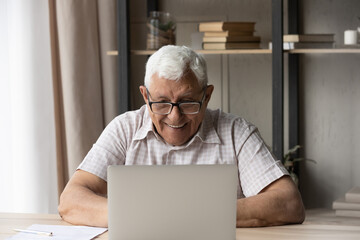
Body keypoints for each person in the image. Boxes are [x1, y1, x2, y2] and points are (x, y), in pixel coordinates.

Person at [58, 45, 305, 228]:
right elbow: (71, 201)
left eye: (187, 102)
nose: (174, 118)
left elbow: (288, 203)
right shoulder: (124, 129)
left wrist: (184, 214)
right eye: (162, 103)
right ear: (145, 97)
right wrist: (143, 216)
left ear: (206, 96)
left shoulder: (236, 132)